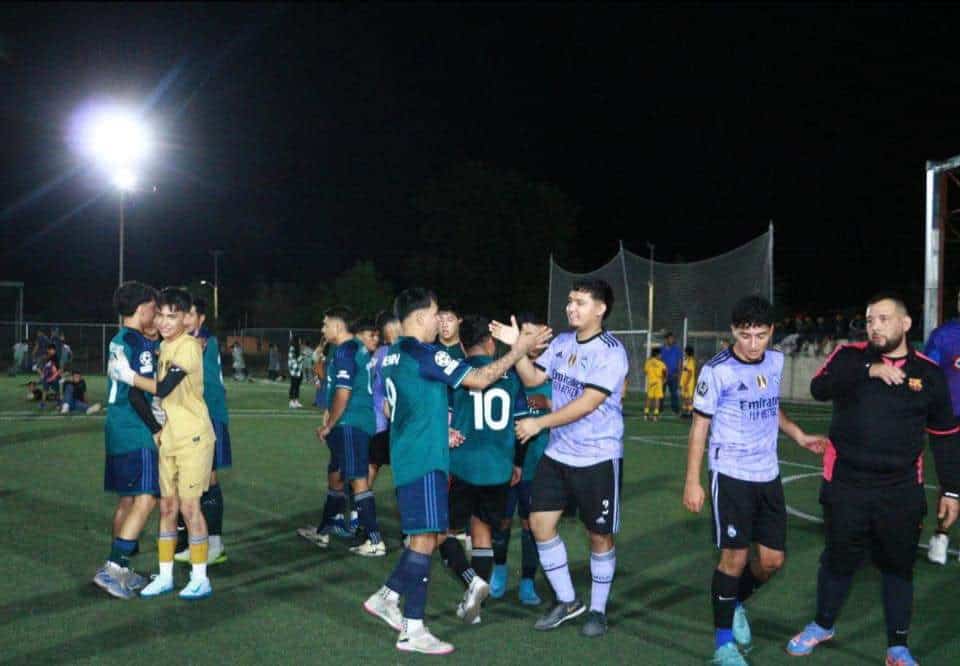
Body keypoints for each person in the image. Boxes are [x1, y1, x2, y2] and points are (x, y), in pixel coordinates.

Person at [362, 287, 549, 655]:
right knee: (426, 539)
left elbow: (401, 406)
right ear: (418, 318)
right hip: (424, 460)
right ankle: (410, 625)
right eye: (435, 314)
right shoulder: (422, 352)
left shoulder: (395, 355)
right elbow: (480, 379)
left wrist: (437, 426)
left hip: (413, 454)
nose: (440, 321)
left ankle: (390, 600)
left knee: (428, 538)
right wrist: (518, 350)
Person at [786, 293, 960, 665]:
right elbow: (820, 388)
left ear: (906, 324)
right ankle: (823, 623)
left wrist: (952, 490)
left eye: (883, 318)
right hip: (846, 485)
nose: (875, 326)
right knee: (837, 559)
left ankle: (897, 647)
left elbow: (945, 436)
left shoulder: (929, 373)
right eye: (869, 319)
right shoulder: (850, 357)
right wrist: (870, 371)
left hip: (899, 491)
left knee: (898, 566)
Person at [681, 296, 826, 666]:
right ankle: (723, 645)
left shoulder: (775, 361)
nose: (752, 343)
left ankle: (736, 603)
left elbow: (771, 405)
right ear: (733, 332)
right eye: (745, 335)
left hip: (768, 474)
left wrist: (798, 435)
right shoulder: (717, 370)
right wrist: (692, 481)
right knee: (734, 557)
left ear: (771, 332)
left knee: (773, 561)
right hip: (730, 474)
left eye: (760, 335)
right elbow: (700, 426)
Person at [490, 278, 629, 639]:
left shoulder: (611, 351)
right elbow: (534, 378)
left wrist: (540, 423)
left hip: (598, 457)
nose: (571, 308)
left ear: (600, 309)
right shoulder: (564, 343)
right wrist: (518, 348)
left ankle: (598, 610)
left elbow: (587, 403)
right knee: (540, 525)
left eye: (580, 302)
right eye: (570, 301)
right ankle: (567, 601)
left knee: (598, 535)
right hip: (558, 454)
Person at [110, 288, 217, 601]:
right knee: (167, 508)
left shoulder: (188, 347)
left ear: (186, 317)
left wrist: (128, 376)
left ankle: (200, 577)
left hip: (193, 437)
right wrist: (157, 427)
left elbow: (165, 387)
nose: (165, 322)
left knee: (189, 507)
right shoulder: (163, 347)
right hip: (169, 438)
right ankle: (166, 575)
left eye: (173, 316)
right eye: (161, 315)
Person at [438, 314, 529, 625]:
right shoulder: (511, 377)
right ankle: (474, 604)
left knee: (442, 534)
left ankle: (471, 583)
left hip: (463, 464)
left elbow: (446, 419)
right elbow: (520, 425)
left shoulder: (458, 373)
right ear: (491, 343)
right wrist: (517, 462)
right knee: (483, 533)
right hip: (498, 467)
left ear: (463, 346)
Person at [92, 281, 162, 599]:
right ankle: (114, 568)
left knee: (128, 499)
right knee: (147, 498)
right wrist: (156, 428)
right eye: (153, 307)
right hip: (135, 429)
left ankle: (119, 568)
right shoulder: (139, 343)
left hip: (116, 425)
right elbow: (137, 392)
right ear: (141, 308)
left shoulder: (119, 338)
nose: (156, 312)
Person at [491, 311, 552, 606]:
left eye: (536, 335)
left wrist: (533, 405)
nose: (532, 341)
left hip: (537, 466)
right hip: (504, 462)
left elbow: (545, 405)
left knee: (532, 525)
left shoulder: (550, 370)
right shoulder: (503, 370)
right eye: (525, 335)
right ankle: (499, 571)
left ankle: (528, 581)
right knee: (502, 521)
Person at [316, 314, 385, 556]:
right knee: (336, 474)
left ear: (337, 325)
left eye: (325, 324)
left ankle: (375, 540)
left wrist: (329, 424)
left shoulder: (346, 351)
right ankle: (325, 528)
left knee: (357, 479)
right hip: (354, 421)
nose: (323, 328)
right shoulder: (355, 349)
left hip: (350, 422)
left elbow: (343, 393)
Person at [172, 296, 230, 566]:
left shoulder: (202, 341)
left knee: (208, 479)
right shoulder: (193, 340)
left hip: (209, 418)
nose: (185, 319)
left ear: (201, 319)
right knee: (195, 481)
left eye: (190, 315)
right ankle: (202, 543)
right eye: (182, 314)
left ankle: (214, 546)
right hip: (198, 418)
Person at [922, 288, 960, 563]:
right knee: (950, 481)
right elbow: (926, 374)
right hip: (949, 420)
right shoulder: (945, 336)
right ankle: (941, 535)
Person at [369, 311, 401, 487]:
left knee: (372, 463)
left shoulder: (379, 352)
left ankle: (357, 506)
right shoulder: (391, 352)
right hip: (384, 419)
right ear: (390, 327)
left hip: (375, 416)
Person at [660, 332, 682, 414]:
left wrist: (679, 375)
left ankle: (676, 410)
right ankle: (659, 409)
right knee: (661, 393)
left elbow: (679, 363)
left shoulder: (677, 349)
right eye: (670, 338)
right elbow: (659, 362)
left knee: (674, 394)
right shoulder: (661, 350)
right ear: (666, 339)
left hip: (674, 375)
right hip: (663, 376)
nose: (672, 340)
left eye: (673, 338)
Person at [643, 348, 667, 422]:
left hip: (651, 382)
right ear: (657, 354)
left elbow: (645, 371)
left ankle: (646, 414)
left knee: (649, 398)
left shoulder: (648, 362)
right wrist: (664, 378)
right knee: (657, 399)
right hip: (658, 382)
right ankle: (655, 416)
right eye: (660, 354)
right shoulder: (661, 363)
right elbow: (664, 371)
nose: (661, 356)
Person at [38, 343, 62, 408]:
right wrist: (42, 375)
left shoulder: (56, 357)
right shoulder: (44, 358)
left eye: (54, 350)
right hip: (46, 377)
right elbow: (39, 368)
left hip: (54, 377)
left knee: (56, 390)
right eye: (51, 350)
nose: (53, 351)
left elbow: (59, 370)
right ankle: (43, 403)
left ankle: (59, 402)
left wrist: (52, 378)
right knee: (45, 390)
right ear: (48, 350)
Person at [679, 345, 696, 417]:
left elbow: (690, 373)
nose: (684, 353)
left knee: (689, 397)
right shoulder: (686, 360)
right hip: (684, 382)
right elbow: (684, 371)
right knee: (684, 397)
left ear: (688, 352)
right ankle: (685, 411)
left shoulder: (691, 361)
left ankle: (690, 412)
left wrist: (686, 384)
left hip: (688, 383)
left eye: (685, 351)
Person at [288, 337, 304, 408]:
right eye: (299, 340)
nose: (300, 342)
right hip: (294, 371)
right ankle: (291, 402)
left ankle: (296, 401)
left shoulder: (298, 349)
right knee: (293, 386)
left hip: (299, 371)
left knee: (297, 386)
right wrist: (303, 355)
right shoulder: (292, 349)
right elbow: (297, 360)